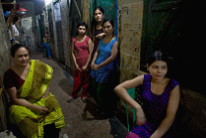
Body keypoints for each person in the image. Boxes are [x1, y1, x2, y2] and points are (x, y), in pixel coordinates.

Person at [3, 44, 65, 138]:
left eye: (26, 55)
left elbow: (47, 76)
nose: (24, 58)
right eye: (20, 56)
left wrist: (46, 91)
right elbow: (15, 99)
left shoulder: (36, 65)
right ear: (13, 57)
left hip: (39, 98)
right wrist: (34, 107)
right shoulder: (9, 75)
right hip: (22, 104)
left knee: (52, 105)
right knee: (25, 121)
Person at [114, 51, 180, 138]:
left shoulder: (173, 85)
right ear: (148, 67)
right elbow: (118, 88)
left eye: (163, 67)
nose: (159, 71)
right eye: (155, 67)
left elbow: (170, 118)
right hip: (146, 123)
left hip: (164, 128)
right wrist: (138, 107)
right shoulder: (145, 79)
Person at [90, 19, 118, 117]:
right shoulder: (102, 39)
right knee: (94, 89)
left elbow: (112, 57)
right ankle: (101, 107)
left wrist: (99, 65)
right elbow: (97, 51)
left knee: (101, 91)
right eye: (104, 27)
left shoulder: (115, 42)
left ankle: (105, 111)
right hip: (96, 67)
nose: (106, 29)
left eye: (108, 27)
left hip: (105, 69)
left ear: (113, 28)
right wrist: (93, 61)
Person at [66, 22, 93, 103]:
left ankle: (84, 95)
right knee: (77, 81)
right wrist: (76, 64)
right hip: (78, 64)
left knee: (86, 81)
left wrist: (86, 65)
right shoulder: (74, 40)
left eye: (84, 29)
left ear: (86, 30)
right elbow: (72, 53)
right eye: (80, 29)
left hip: (86, 64)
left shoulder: (88, 39)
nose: (82, 30)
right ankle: (73, 95)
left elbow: (91, 53)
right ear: (77, 29)